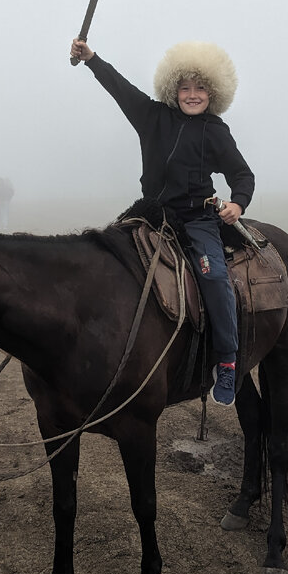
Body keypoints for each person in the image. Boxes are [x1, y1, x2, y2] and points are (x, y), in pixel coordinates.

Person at [70, 37, 253, 407]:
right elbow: (120, 88)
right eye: (184, 87)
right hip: (150, 213)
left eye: (200, 87)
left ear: (213, 92)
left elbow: (242, 174)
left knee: (215, 277)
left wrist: (237, 204)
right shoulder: (151, 116)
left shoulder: (215, 131)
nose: (192, 94)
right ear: (173, 89)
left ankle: (228, 361)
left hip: (198, 219)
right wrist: (91, 59)